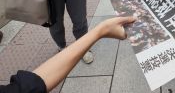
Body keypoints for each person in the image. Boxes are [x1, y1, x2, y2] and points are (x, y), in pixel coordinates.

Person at [0, 16, 136, 93]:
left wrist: (100, 31)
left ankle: (79, 48)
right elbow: (29, 87)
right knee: (55, 23)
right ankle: (62, 46)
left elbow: (28, 87)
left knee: (79, 20)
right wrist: (101, 31)